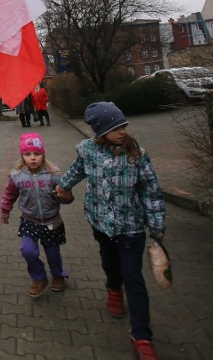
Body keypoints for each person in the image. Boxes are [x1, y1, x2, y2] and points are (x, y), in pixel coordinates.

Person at [55, 102, 166, 360]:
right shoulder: (88, 152)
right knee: (109, 263)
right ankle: (113, 290)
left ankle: (142, 336)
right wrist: (60, 188)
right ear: (100, 131)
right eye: (115, 127)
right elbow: (73, 174)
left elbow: (151, 190)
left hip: (131, 228)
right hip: (101, 224)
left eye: (123, 125)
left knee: (134, 277)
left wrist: (157, 225)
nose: (122, 131)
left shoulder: (137, 154)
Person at [1, 133, 69, 297]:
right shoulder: (17, 176)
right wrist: (5, 210)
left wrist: (64, 196)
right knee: (28, 251)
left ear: (43, 154)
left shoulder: (54, 174)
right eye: (28, 154)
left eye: (36, 154)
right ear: (22, 156)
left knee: (53, 254)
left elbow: (67, 195)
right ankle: (39, 278)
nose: (32, 158)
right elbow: (9, 194)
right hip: (29, 220)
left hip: (52, 221)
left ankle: (58, 275)